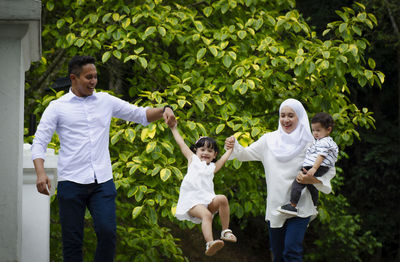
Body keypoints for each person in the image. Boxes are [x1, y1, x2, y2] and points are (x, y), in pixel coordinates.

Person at [31, 55, 176, 262]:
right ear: (73, 78)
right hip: (71, 182)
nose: (93, 81)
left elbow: (140, 114)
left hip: (102, 182)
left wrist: (166, 109)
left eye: (96, 77)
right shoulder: (57, 107)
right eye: (88, 77)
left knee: (108, 233)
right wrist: (40, 173)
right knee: (72, 242)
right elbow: (40, 142)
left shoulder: (105, 101)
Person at [225, 99, 336, 262]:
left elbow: (328, 170)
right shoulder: (268, 140)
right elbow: (244, 154)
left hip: (300, 207)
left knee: (292, 251)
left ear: (299, 117)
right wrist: (233, 145)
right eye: (282, 115)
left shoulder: (311, 143)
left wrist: (310, 179)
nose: (286, 120)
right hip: (276, 207)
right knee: (278, 255)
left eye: (291, 116)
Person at [169, 121, 237, 256]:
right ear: (196, 151)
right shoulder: (192, 160)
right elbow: (181, 143)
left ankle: (225, 231)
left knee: (222, 198)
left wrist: (231, 146)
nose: (206, 153)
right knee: (206, 215)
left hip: (207, 200)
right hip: (192, 202)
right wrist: (173, 128)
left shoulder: (212, 167)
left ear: (214, 154)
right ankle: (210, 243)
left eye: (210, 151)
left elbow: (224, 158)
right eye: (202, 149)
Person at [278, 112, 338, 215]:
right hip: (318, 167)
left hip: (316, 166)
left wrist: (314, 168)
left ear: (328, 130)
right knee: (311, 186)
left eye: (318, 130)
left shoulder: (324, 142)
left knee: (298, 182)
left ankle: (292, 206)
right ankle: (314, 205)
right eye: (313, 130)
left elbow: (321, 155)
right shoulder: (323, 141)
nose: (315, 133)